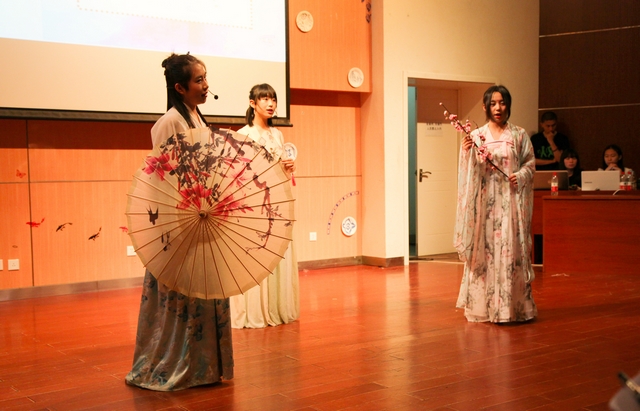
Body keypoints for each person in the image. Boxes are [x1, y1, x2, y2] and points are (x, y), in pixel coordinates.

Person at [125, 53, 233, 391]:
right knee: (183, 293)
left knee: (204, 288)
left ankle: (204, 367)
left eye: (205, 78)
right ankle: (174, 365)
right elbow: (164, 178)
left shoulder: (197, 116)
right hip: (180, 222)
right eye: (199, 80)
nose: (206, 85)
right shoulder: (169, 122)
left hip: (201, 216)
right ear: (180, 87)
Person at [454, 85, 537, 323]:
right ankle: (484, 307)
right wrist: (466, 153)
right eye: (493, 104)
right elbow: (469, 170)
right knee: (485, 253)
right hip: (485, 207)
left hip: (510, 204)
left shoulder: (518, 134)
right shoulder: (477, 135)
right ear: (485, 107)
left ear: (508, 105)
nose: (498, 108)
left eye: (502, 103)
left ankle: (512, 308)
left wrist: (520, 175)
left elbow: (530, 163)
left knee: (510, 252)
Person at [229, 83, 300, 328]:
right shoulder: (244, 134)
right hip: (255, 203)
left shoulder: (277, 135)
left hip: (277, 200)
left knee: (277, 252)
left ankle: (275, 306)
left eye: (273, 99)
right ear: (253, 103)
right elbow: (238, 173)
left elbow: (281, 170)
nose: (271, 104)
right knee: (257, 252)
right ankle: (254, 311)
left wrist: (287, 168)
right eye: (265, 99)